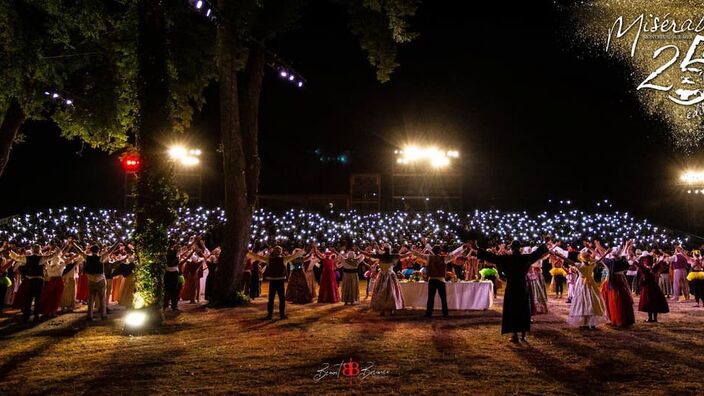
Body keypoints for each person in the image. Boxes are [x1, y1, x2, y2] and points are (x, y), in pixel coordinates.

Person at [475, 240, 548, 343]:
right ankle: (523, 335)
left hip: (512, 286)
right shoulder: (525, 258)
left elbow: (492, 257)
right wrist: (545, 245)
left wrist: (478, 249)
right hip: (523, 286)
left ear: (512, 248)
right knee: (523, 309)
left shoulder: (507, 259)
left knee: (512, 309)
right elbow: (538, 253)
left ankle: (515, 335)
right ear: (520, 248)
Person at [247, 246, 304, 320]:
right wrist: (303, 251)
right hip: (280, 281)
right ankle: (281, 315)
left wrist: (248, 252)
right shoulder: (283, 259)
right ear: (280, 252)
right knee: (281, 298)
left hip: (273, 281)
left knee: (271, 298)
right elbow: (294, 256)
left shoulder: (269, 259)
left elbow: (258, 257)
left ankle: (270, 315)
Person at [9, 244, 62, 322]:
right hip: (38, 281)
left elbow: (16, 257)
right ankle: (36, 316)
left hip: (30, 280)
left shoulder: (27, 258)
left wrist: (10, 251)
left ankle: (26, 316)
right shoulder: (42, 258)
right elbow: (52, 256)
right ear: (39, 250)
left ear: (33, 250)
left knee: (28, 298)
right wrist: (57, 250)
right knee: (37, 298)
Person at [412, 244, 465, 318]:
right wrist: (462, 248)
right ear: (440, 251)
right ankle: (445, 314)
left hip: (432, 280)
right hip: (441, 280)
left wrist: (411, 250)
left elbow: (419, 255)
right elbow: (454, 254)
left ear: (432, 251)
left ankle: (428, 313)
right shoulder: (444, 258)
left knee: (431, 298)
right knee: (443, 298)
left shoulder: (429, 257)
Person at [73, 241, 117, 320]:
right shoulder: (100, 258)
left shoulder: (87, 257)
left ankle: (90, 316)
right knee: (102, 298)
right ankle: (103, 315)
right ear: (98, 250)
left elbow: (79, 251)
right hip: (100, 280)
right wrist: (117, 242)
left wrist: (73, 244)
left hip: (91, 280)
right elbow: (110, 251)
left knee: (91, 299)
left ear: (91, 250)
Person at [563, 250, 607, 329]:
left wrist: (559, 255)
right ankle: (590, 323)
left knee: (583, 301)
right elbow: (600, 260)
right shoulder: (591, 264)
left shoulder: (580, 265)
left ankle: (585, 323)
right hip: (589, 283)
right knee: (591, 300)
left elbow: (568, 260)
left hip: (582, 284)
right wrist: (606, 253)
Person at [600, 246, 635, 328]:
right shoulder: (623, 261)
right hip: (621, 281)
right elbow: (624, 258)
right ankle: (627, 319)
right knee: (624, 300)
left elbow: (601, 258)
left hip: (614, 283)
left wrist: (600, 249)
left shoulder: (611, 262)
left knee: (615, 301)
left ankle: (618, 319)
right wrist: (626, 247)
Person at [634, 245, 669, 322]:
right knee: (655, 302)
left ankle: (650, 318)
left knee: (648, 302)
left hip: (647, 288)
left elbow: (636, 263)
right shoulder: (654, 268)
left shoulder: (644, 269)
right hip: (654, 287)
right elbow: (661, 262)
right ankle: (655, 319)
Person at [368, 246, 406, 316]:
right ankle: (389, 310)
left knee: (384, 292)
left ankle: (383, 310)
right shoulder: (392, 256)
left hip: (383, 275)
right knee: (391, 292)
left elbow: (369, 255)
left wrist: (361, 251)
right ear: (389, 250)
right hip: (390, 275)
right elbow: (404, 256)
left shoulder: (382, 256)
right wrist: (410, 252)